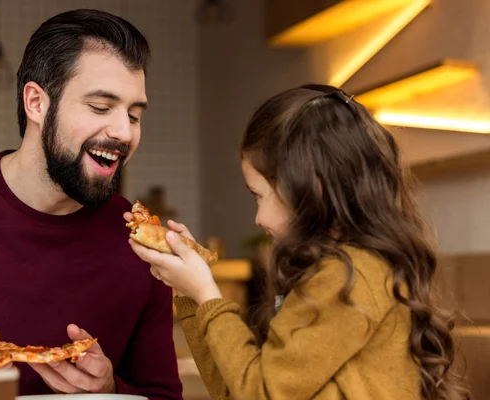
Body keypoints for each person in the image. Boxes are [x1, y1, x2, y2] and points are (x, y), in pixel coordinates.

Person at [0, 9, 183, 399]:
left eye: (134, 115)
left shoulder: (142, 247)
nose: (124, 132)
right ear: (36, 103)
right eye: (100, 107)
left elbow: (162, 394)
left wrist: (111, 389)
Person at [128, 84, 470, 400]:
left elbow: (260, 393)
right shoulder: (327, 273)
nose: (258, 218)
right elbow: (236, 389)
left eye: (259, 196)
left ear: (312, 188)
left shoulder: (349, 276)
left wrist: (207, 295)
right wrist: (191, 297)